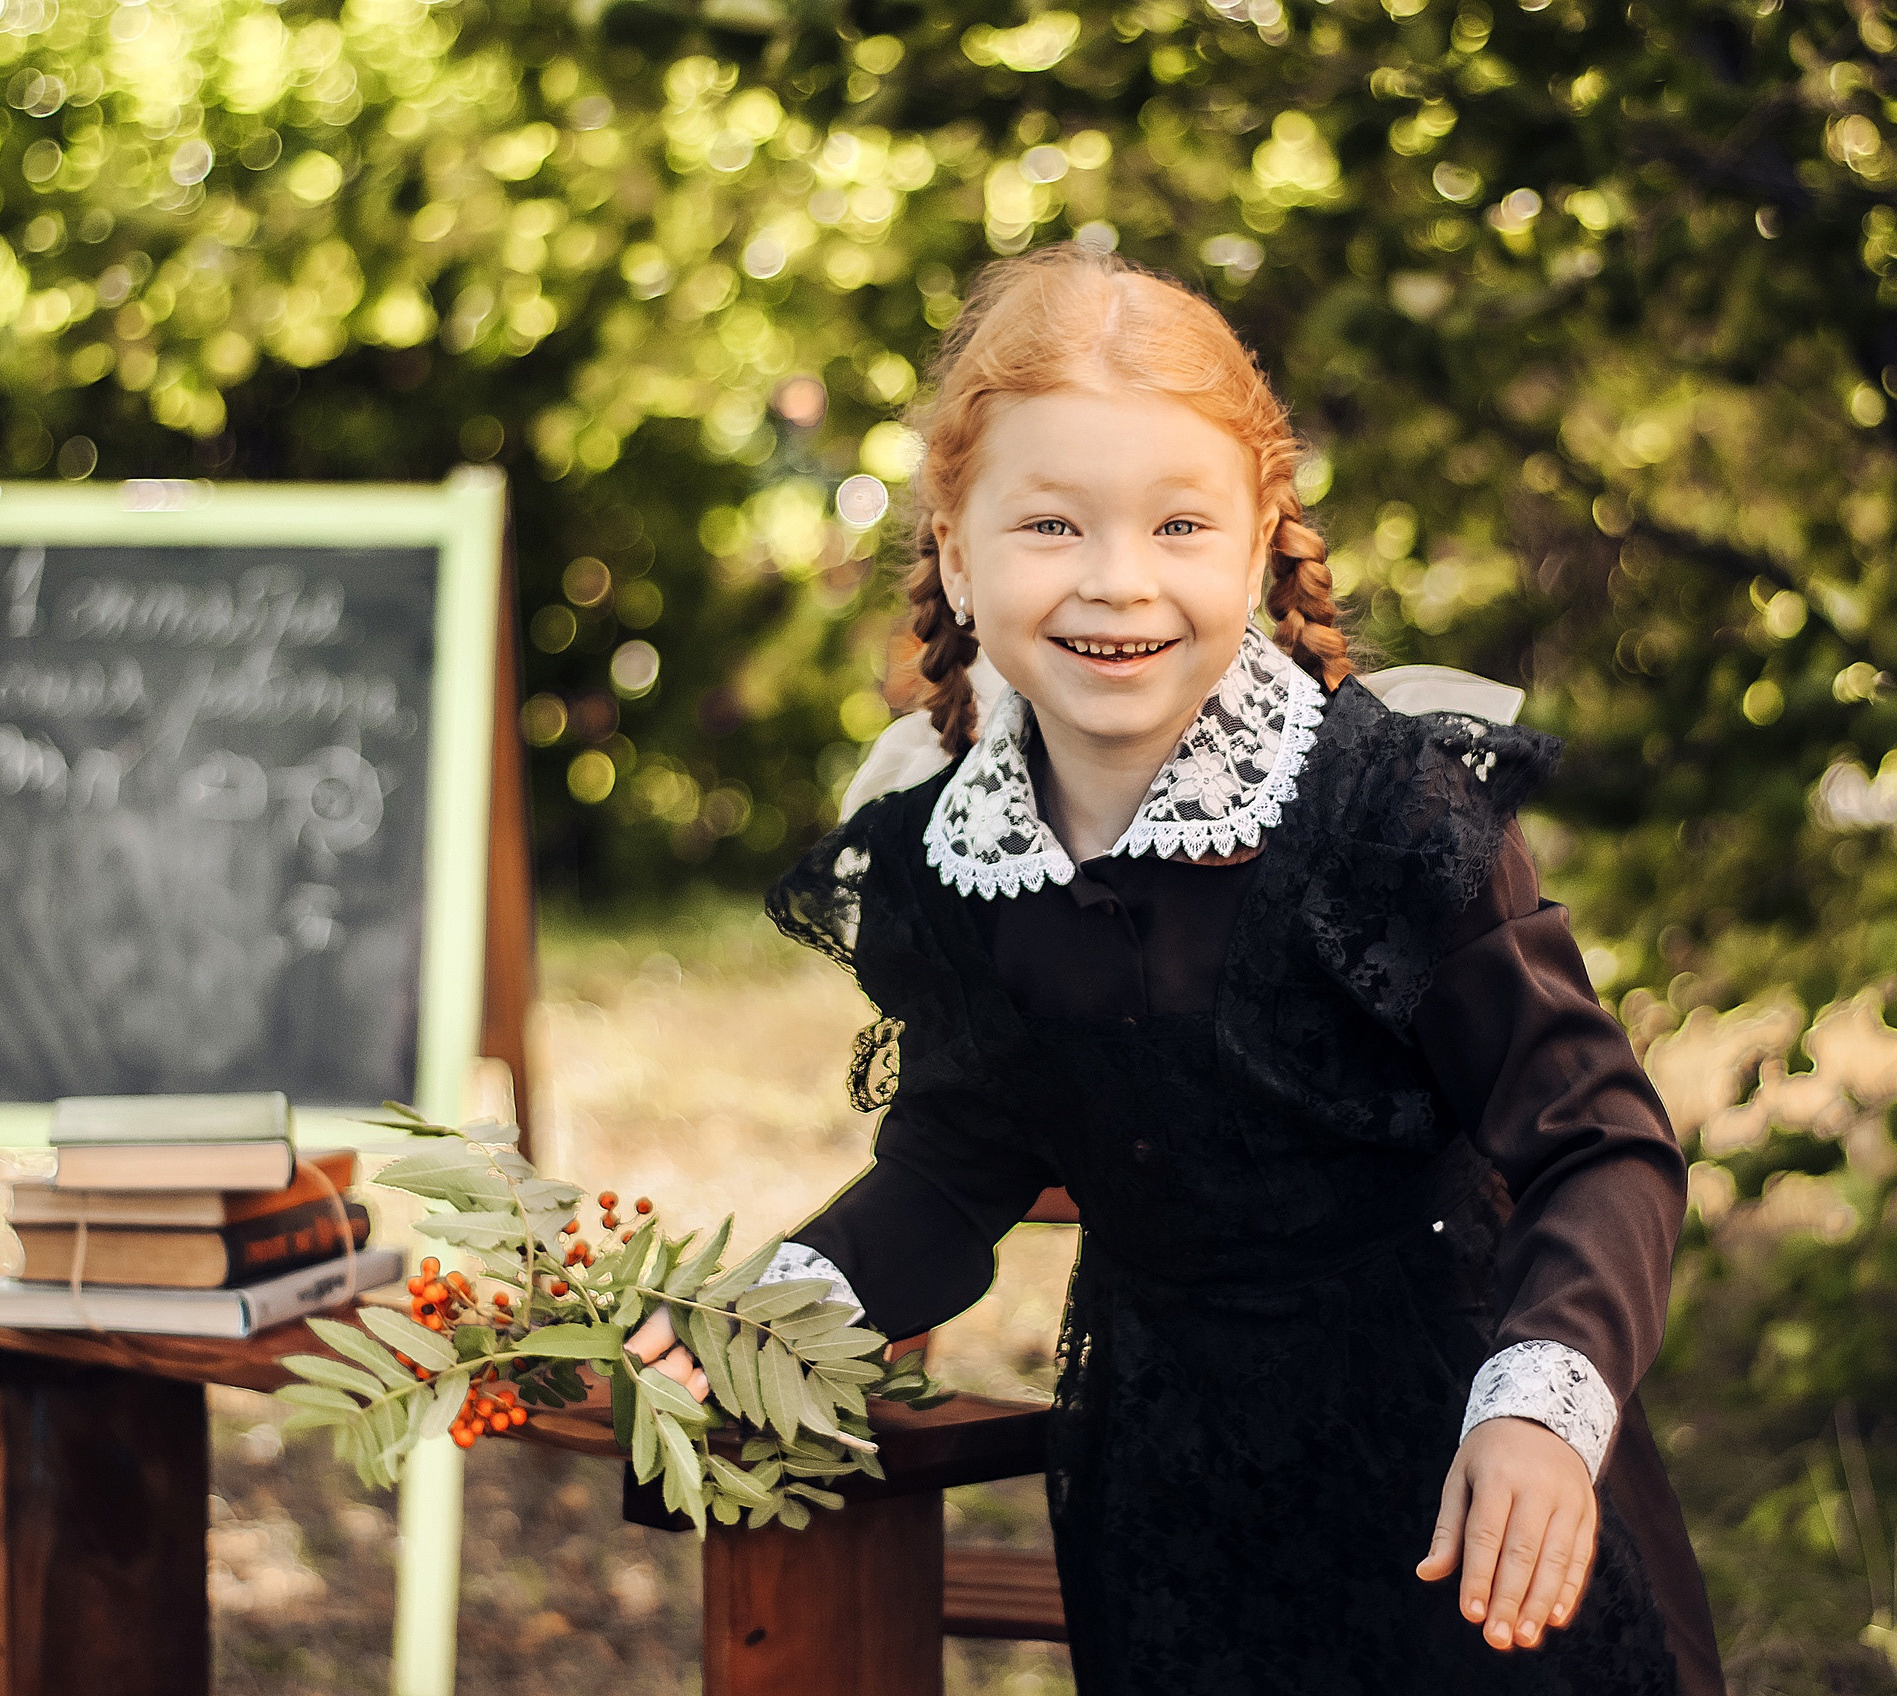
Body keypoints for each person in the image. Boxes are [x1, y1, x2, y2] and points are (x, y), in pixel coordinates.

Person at [625, 240, 1725, 1695]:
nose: (1117, 585)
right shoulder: (955, 859)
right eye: (1052, 528)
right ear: (956, 550)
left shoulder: (1382, 817)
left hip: (1462, 1491)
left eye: (1179, 525)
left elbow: (1604, 1146)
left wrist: (1539, 1409)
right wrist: (763, 1324)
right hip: (1173, 1499)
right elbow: (958, 1170)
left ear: (1264, 539)